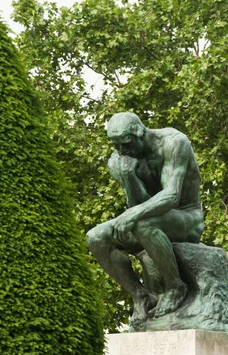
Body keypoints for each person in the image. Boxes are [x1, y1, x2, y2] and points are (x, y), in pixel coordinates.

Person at [86, 112, 204, 327]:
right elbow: (138, 203)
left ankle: (176, 287)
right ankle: (140, 295)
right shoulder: (119, 161)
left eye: (127, 144)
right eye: (116, 146)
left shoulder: (174, 143)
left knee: (142, 222)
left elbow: (171, 196)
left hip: (187, 217)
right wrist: (129, 177)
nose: (122, 151)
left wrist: (133, 215)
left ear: (140, 132)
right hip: (150, 220)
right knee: (95, 237)